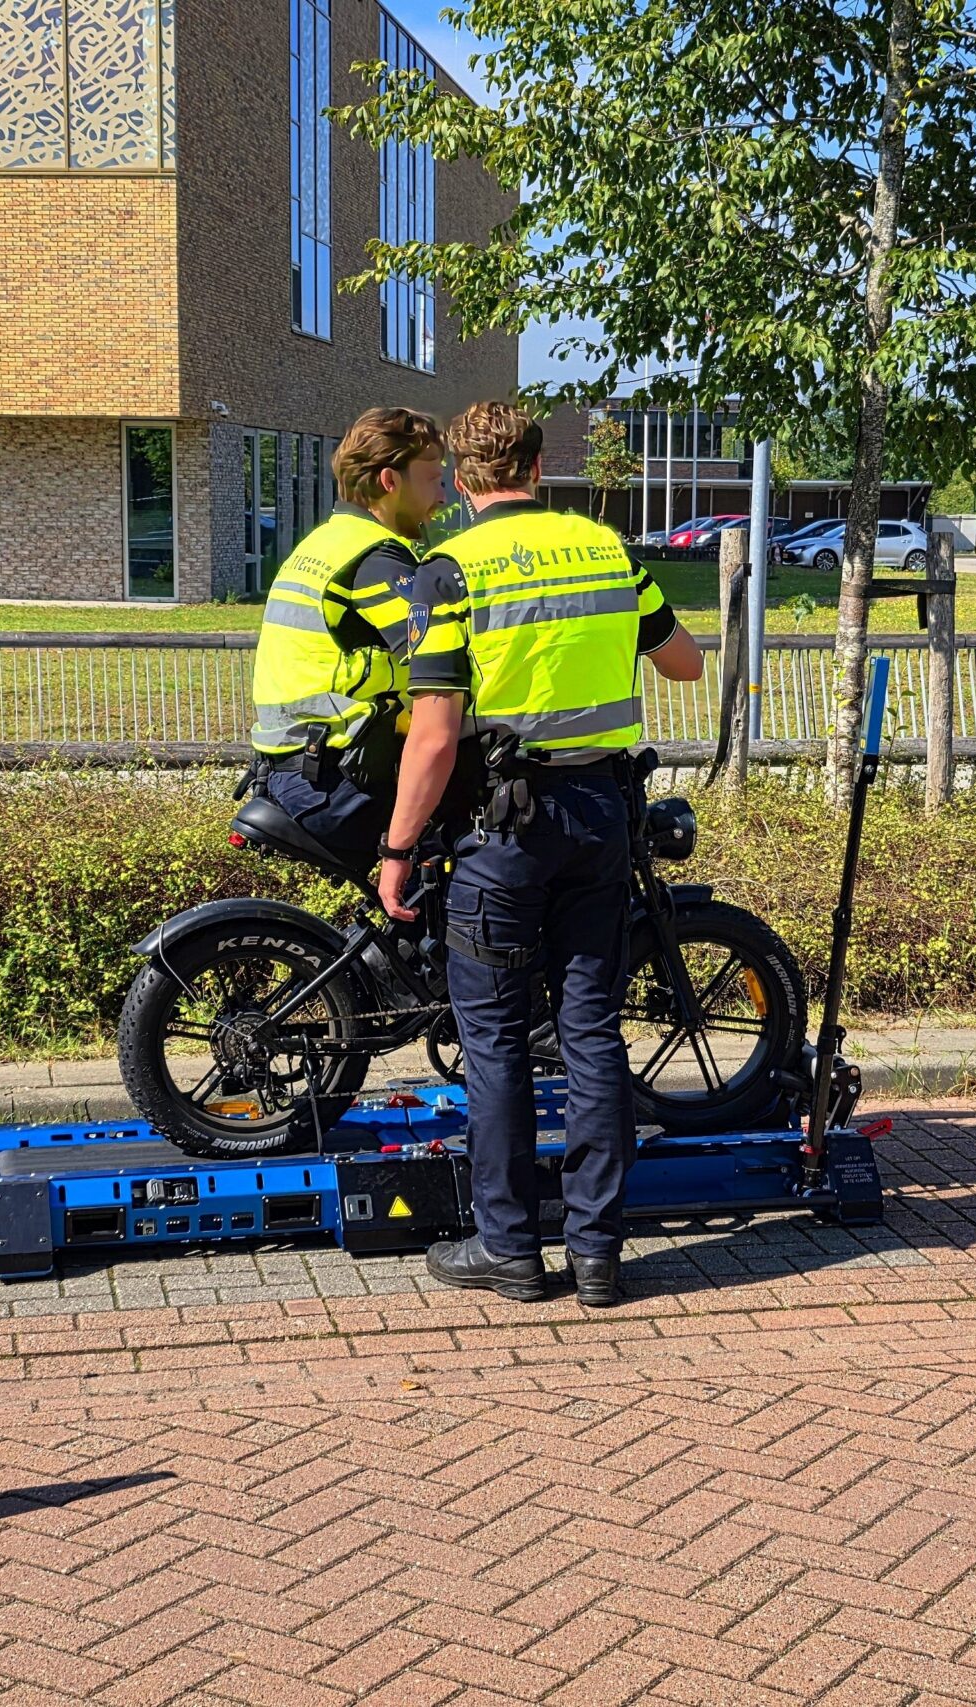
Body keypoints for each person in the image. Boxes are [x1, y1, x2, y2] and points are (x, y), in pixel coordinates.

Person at [373, 402, 705, 1306]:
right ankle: (598, 1256)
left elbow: (435, 736)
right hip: (603, 814)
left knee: (496, 1039)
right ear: (537, 461)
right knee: (591, 1027)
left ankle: (510, 1250)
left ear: (466, 476)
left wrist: (398, 849)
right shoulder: (607, 548)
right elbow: (685, 664)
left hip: (503, 830)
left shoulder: (450, 570)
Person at [244, 407, 450, 871]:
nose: (443, 493)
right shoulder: (375, 560)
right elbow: (439, 663)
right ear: (390, 481)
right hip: (337, 782)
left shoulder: (323, 543)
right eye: (434, 478)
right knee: (479, 846)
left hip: (294, 768)